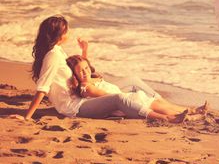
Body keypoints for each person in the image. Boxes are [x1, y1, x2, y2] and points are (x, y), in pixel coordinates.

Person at [13, 15, 196, 123]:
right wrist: (27, 117)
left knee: (132, 82)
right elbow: (42, 89)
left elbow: (80, 67)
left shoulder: (58, 51)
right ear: (59, 35)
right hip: (74, 107)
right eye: (66, 31)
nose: (68, 34)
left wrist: (85, 51)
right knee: (118, 98)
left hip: (81, 96)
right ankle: (166, 118)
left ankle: (175, 109)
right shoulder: (52, 56)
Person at [66, 55, 207, 122]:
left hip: (123, 98)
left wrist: (84, 51)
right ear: (75, 75)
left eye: (86, 68)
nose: (85, 72)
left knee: (156, 101)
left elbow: (86, 67)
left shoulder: (89, 79)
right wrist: (131, 97)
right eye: (80, 71)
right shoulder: (87, 87)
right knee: (156, 105)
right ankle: (187, 117)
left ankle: (189, 111)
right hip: (122, 102)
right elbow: (110, 96)